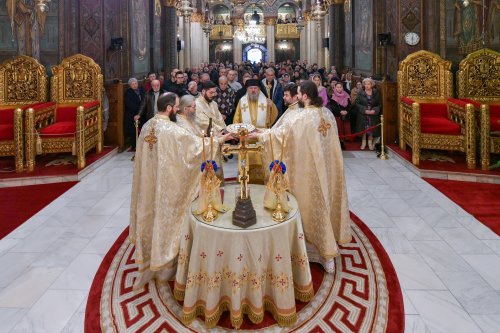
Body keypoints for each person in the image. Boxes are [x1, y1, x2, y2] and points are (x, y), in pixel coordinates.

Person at [130, 92, 232, 288]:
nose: (178, 109)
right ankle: (166, 263)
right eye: (176, 106)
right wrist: (220, 140)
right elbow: (194, 148)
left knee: (150, 216)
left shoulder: (147, 126)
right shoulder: (171, 130)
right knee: (167, 218)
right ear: (168, 108)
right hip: (166, 184)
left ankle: (151, 259)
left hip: (149, 183)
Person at [250, 80, 351, 273]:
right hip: (327, 171)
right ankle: (327, 253)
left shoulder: (301, 118)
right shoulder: (328, 114)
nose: (297, 97)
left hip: (308, 173)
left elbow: (279, 136)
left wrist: (258, 134)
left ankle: (310, 250)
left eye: (298, 93)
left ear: (305, 96)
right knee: (325, 204)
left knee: (309, 207)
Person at [233, 79, 278, 183]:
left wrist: (272, 107)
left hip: (260, 137)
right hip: (246, 137)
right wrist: (238, 132)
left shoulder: (266, 101)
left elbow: (272, 118)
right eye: (251, 88)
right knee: (246, 162)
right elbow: (237, 118)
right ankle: (245, 180)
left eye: (255, 88)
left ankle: (261, 181)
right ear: (247, 89)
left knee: (261, 161)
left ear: (259, 89)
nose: (253, 90)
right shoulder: (242, 101)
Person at [355, 78, 382, 150]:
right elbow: (357, 104)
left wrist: (374, 110)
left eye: (368, 84)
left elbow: (379, 104)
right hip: (363, 114)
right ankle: (363, 143)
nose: (366, 85)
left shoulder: (376, 93)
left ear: (372, 85)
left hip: (372, 115)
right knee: (364, 128)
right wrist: (364, 110)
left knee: (371, 129)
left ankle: (370, 142)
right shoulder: (361, 93)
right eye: (365, 84)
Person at [328, 82, 353, 149]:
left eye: (340, 87)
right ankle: (341, 142)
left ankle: (346, 142)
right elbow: (333, 106)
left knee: (346, 128)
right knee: (339, 129)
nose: (339, 89)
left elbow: (350, 105)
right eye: (337, 87)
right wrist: (340, 111)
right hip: (338, 115)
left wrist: (346, 111)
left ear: (342, 87)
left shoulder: (346, 95)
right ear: (335, 88)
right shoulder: (333, 96)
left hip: (346, 114)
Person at [124, 78, 144, 150]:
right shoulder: (128, 92)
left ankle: (142, 144)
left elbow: (144, 100)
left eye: (136, 83)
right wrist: (139, 109)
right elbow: (129, 104)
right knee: (134, 131)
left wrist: (142, 110)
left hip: (142, 113)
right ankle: (134, 145)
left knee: (142, 129)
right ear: (130, 85)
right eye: (133, 84)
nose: (135, 85)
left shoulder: (142, 90)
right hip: (133, 114)